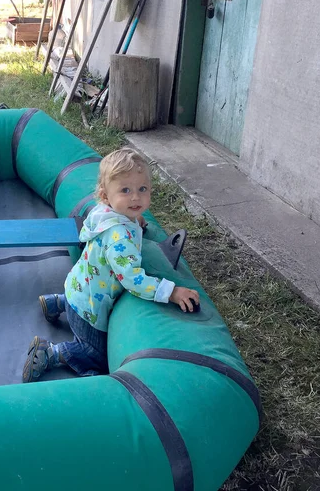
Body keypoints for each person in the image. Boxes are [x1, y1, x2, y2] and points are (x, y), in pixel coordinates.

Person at [22, 148, 200, 383]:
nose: (135, 198)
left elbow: (126, 216)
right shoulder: (119, 237)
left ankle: (58, 303)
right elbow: (133, 279)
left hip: (78, 287)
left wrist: (136, 219)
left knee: (79, 302)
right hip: (90, 310)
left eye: (142, 189)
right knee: (95, 356)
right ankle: (51, 353)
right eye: (125, 190)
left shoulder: (105, 213)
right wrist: (171, 292)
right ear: (106, 196)